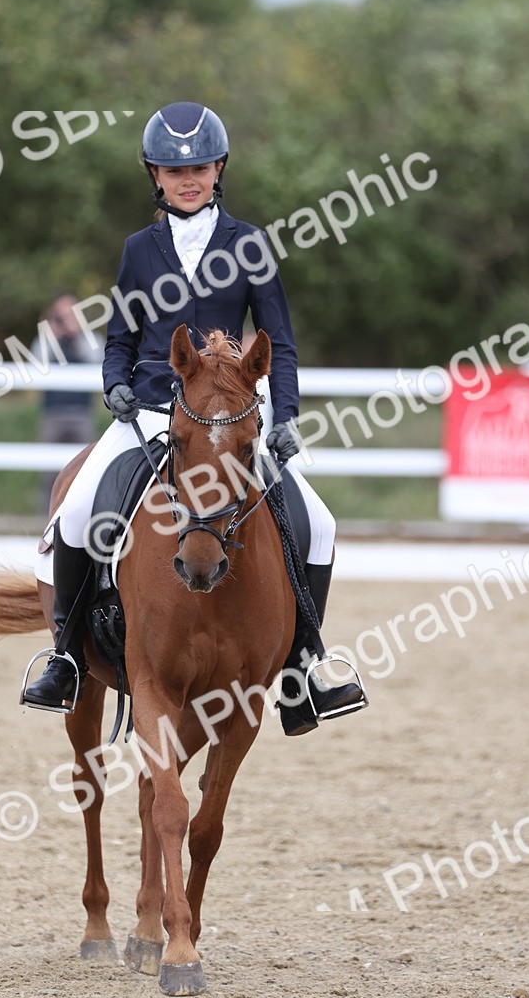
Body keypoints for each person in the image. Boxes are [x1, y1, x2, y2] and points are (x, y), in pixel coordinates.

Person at [24, 101, 364, 735]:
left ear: (219, 170)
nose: (188, 179)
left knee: (318, 521)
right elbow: (121, 338)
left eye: (201, 168)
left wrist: (285, 415)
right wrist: (113, 385)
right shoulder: (138, 250)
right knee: (74, 513)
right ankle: (66, 658)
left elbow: (278, 342)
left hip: (230, 417)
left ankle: (299, 671)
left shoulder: (249, 244)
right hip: (154, 413)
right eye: (174, 170)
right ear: (154, 176)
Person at [32, 293, 105, 513]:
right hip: (52, 414)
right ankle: (45, 515)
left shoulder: (90, 339)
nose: (66, 321)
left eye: (71, 315)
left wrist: (79, 334)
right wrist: (53, 335)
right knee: (48, 472)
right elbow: (35, 362)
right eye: (61, 316)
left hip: (82, 414)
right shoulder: (46, 339)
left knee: (86, 469)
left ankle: (82, 512)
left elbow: (99, 359)